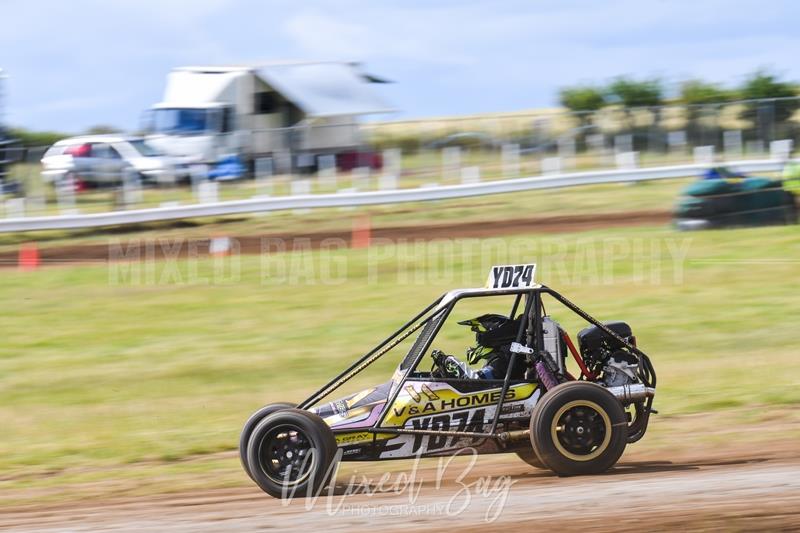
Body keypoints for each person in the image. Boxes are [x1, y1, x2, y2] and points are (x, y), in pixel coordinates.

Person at [431, 314, 528, 380]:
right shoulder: (502, 361)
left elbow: (473, 382)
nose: (477, 341)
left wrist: (447, 361)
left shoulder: (503, 364)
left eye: (480, 335)